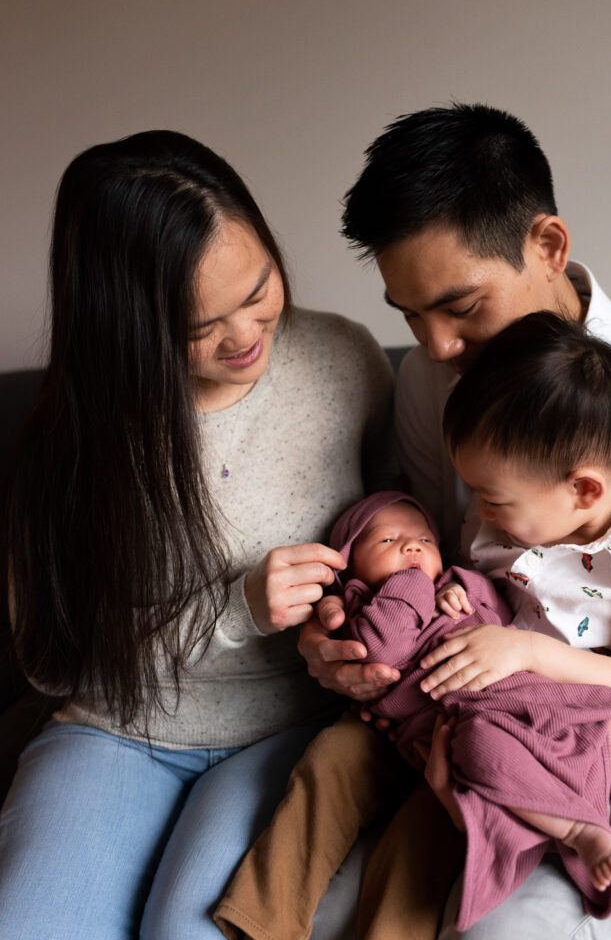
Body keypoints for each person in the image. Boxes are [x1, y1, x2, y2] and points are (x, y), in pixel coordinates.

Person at [298, 103, 611, 939]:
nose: (435, 349)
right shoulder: (428, 388)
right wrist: (353, 626)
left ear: (548, 246)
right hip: (462, 704)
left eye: (460, 307)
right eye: (410, 317)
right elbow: (443, 568)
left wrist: (528, 777)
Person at [0, 130, 393, 940]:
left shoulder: (344, 363)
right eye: (200, 326)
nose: (247, 334)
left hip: (290, 724)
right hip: (118, 729)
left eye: (258, 289)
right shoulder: (78, 438)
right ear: (129, 326)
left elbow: (405, 530)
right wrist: (235, 608)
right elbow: (54, 655)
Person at [214, 488, 611, 940]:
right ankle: (266, 923)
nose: (412, 547)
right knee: (340, 763)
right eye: (388, 541)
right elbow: (384, 645)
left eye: (424, 541)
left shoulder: (456, 582)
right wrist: (407, 585)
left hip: (502, 702)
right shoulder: (360, 604)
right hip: (437, 725)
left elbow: (494, 612)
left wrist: (460, 589)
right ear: (350, 564)